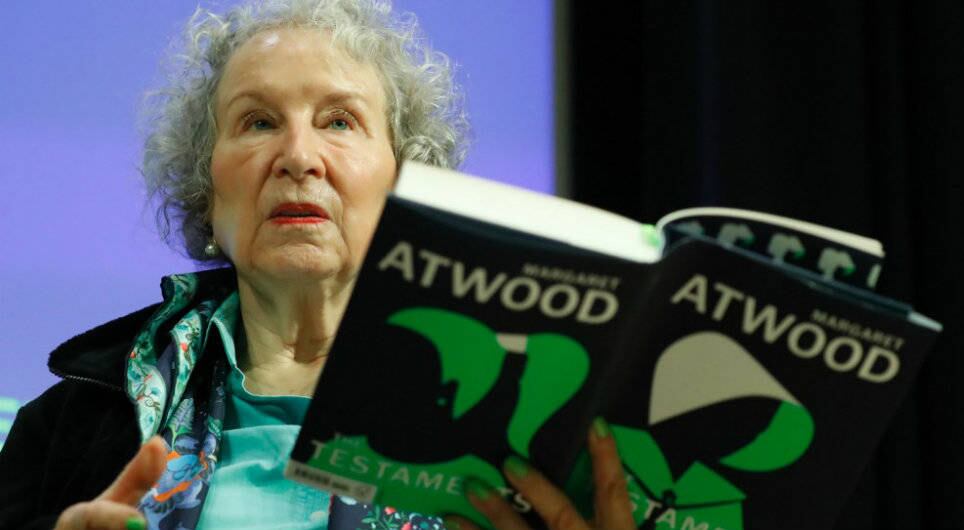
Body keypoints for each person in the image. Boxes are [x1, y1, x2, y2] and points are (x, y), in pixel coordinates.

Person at [0, 1, 634, 529]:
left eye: (339, 120)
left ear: (403, 180)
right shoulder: (68, 427)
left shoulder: (524, 424)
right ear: (207, 188)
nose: (298, 155)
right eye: (257, 122)